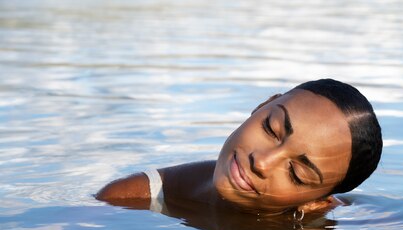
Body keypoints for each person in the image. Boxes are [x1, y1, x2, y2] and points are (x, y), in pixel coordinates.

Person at [96, 79, 382, 218]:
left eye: (296, 174)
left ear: (318, 202)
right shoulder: (132, 196)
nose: (263, 162)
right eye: (271, 129)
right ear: (261, 106)